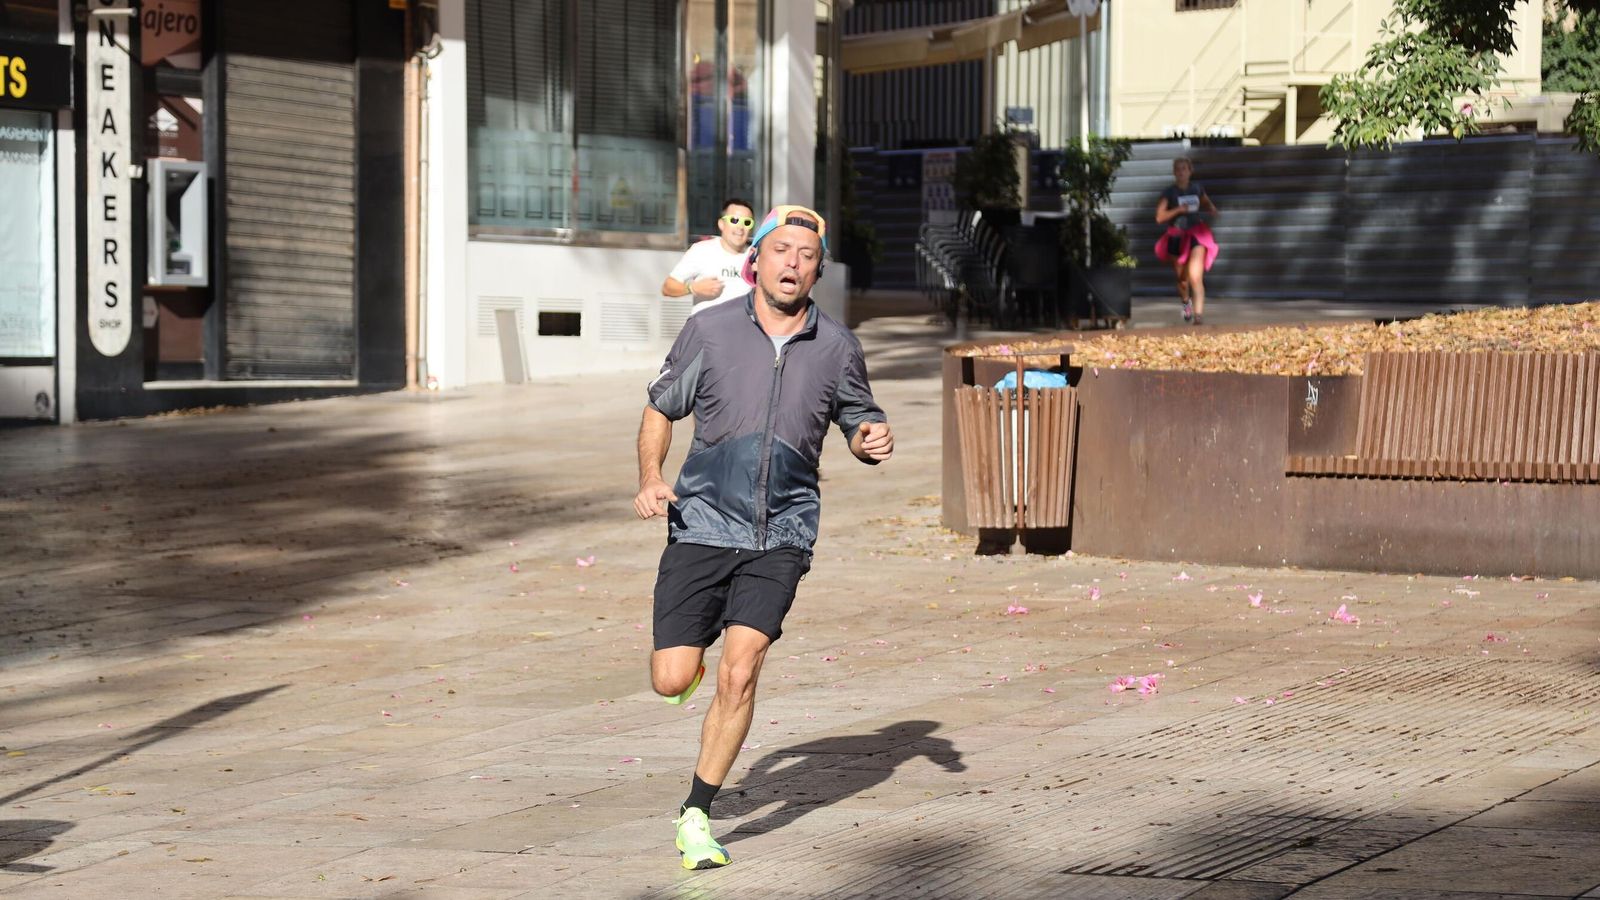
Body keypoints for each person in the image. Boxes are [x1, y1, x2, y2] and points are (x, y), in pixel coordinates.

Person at [634, 204, 894, 870]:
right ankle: (693, 650)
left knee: (741, 672)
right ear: (758, 258)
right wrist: (651, 476)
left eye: (807, 256)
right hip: (703, 522)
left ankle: (696, 812)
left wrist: (871, 441)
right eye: (781, 251)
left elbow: (859, 420)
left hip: (783, 531)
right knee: (670, 680)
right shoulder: (710, 330)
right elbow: (661, 407)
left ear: (818, 268)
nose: (792, 264)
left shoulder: (836, 346)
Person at [1153, 157, 1220, 325]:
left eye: (1184, 169)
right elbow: (1159, 217)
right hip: (1177, 235)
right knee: (1183, 281)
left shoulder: (1196, 188)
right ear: (1175, 173)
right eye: (1178, 169)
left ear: (1190, 171)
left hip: (1196, 234)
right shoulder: (1169, 193)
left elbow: (1204, 201)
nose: (1181, 172)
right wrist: (1178, 210)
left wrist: (1211, 208)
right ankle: (1186, 303)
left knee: (1195, 276)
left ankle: (1198, 316)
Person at [661, 198, 756, 315]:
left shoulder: (756, 256)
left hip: (741, 330)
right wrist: (693, 288)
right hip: (705, 330)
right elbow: (667, 287)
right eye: (734, 220)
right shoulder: (702, 250)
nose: (740, 228)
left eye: (747, 222)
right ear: (721, 224)